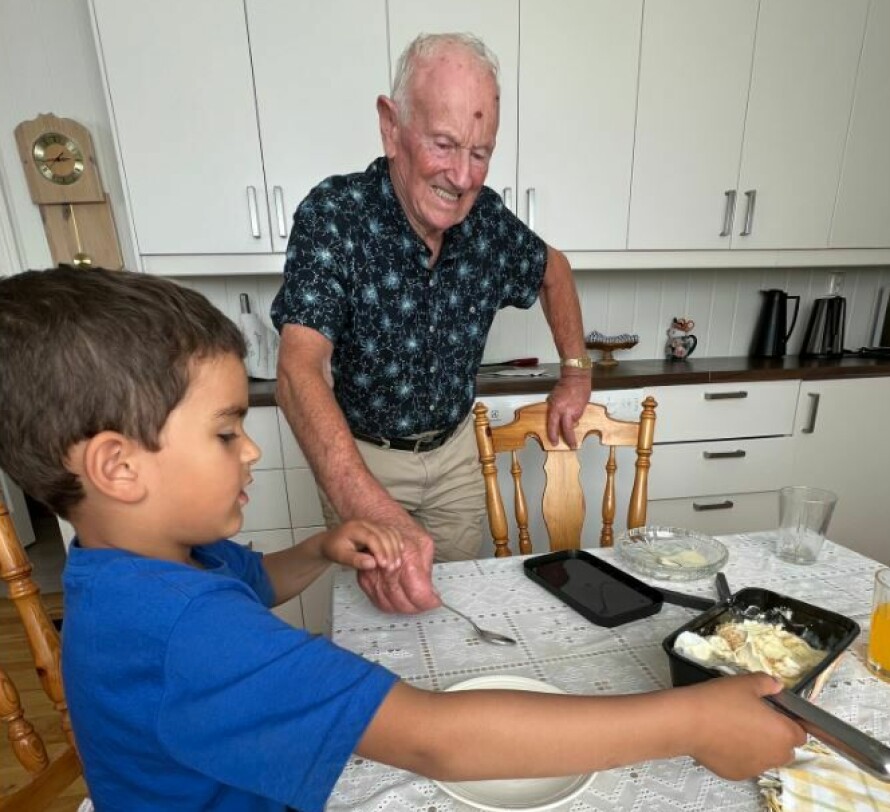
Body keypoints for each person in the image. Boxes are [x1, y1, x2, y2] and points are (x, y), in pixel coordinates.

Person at [0, 265, 805, 812]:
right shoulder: (183, 631)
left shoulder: (138, 569)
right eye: (224, 431)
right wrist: (691, 721)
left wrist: (320, 548)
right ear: (117, 465)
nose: (250, 450)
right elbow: (435, 739)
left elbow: (252, 582)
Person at [271, 33, 591, 610]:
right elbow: (299, 371)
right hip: (363, 457)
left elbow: (555, 270)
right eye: (444, 144)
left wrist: (575, 373)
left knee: (459, 612)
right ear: (392, 127)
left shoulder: (487, 221)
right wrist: (369, 506)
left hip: (454, 456)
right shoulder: (335, 215)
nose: (464, 177)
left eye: (480, 152)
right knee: (380, 623)